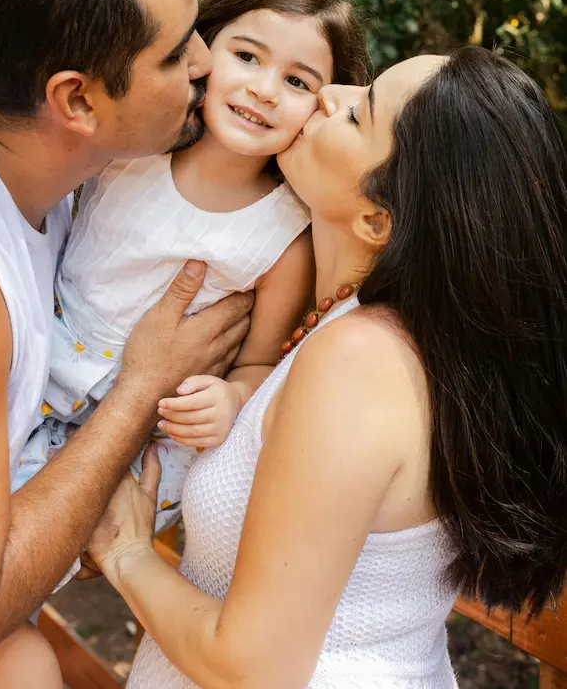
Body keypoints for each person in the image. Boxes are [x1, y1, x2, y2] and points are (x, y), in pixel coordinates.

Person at [0, 0, 369, 689]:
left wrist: (231, 399)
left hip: (132, 446)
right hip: (31, 407)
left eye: (298, 81)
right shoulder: (130, 152)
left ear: (319, 103)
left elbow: (254, 364)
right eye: (245, 57)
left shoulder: (283, 234)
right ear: (198, 55)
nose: (261, 89)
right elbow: (51, 42)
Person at [86, 47, 567, 689]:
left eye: (358, 112)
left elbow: (253, 666)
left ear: (377, 220)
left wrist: (127, 554)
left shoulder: (360, 361)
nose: (328, 94)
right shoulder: (376, 333)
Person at [0, 0, 254, 688]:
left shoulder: (13, 131)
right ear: (76, 101)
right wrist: (142, 391)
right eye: (175, 52)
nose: (204, 63)